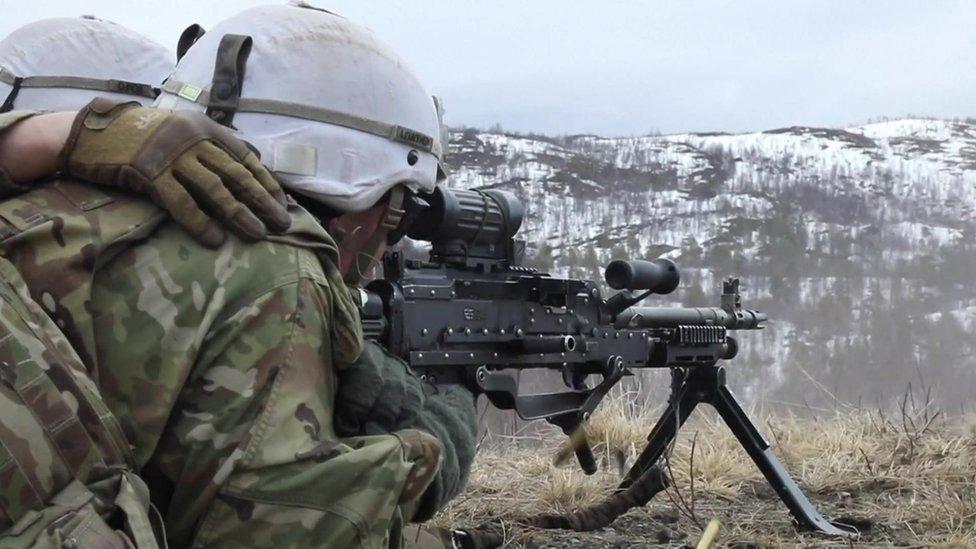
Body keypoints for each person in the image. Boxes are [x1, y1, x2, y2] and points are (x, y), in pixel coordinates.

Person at [0, 6, 477, 548]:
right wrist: (433, 450)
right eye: (406, 212)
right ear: (370, 200)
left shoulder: (51, 205)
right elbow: (270, 529)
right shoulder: (274, 269)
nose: (393, 242)